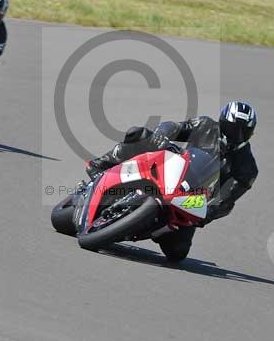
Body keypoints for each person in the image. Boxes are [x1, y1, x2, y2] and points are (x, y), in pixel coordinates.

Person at [85, 101, 259, 260]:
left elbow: (228, 198)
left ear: (250, 134)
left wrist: (209, 212)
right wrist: (162, 135)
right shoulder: (206, 125)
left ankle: (148, 227)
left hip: (192, 199)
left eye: (243, 131)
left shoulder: (247, 167)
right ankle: (102, 164)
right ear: (222, 122)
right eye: (232, 127)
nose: (237, 134)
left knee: (178, 253)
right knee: (140, 136)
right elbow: (174, 126)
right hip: (174, 169)